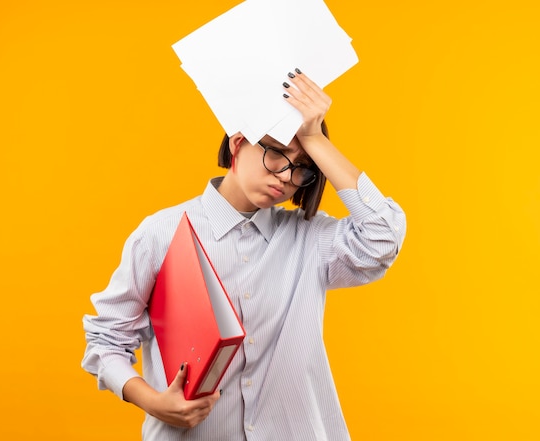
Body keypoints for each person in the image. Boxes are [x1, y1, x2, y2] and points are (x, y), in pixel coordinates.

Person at [81, 69, 406, 441]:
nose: (286, 176)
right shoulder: (161, 233)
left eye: (301, 168)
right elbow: (106, 339)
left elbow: (383, 236)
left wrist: (314, 137)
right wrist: (153, 401)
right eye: (277, 153)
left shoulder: (311, 239)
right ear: (237, 144)